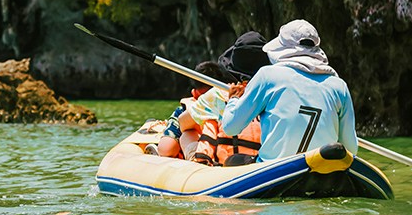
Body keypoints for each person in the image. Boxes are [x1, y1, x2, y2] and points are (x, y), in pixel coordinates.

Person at [218, 19, 357, 164]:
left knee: (232, 161)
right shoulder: (339, 86)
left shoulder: (267, 75)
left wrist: (234, 99)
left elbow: (231, 127)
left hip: (273, 170)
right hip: (323, 172)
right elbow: (351, 149)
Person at [151, 33, 268, 162]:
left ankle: (197, 161)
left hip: (227, 163)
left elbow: (183, 123)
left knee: (187, 133)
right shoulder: (276, 93)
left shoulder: (218, 94)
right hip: (265, 161)